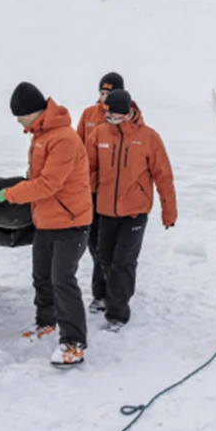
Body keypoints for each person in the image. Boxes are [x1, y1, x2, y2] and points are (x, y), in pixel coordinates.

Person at [0, 82, 93, 366]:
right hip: (47, 221)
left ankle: (74, 342)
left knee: (63, 280)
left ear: (31, 112)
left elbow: (49, 184)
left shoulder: (62, 138)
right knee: (42, 277)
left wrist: (11, 195)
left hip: (71, 223)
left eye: (19, 115)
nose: (17, 121)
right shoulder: (40, 136)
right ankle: (46, 322)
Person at [86, 89, 177, 330]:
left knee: (124, 261)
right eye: (108, 115)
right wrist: (96, 186)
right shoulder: (98, 134)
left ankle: (118, 313)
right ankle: (104, 296)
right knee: (104, 257)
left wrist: (169, 211)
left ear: (128, 113)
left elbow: (164, 176)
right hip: (105, 210)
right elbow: (87, 169)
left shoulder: (148, 138)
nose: (111, 120)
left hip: (135, 212)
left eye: (116, 116)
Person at [77, 72, 125, 314]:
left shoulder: (123, 116)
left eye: (109, 93)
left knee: (108, 246)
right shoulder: (88, 115)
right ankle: (102, 288)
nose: (104, 98)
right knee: (94, 243)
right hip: (89, 190)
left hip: (113, 191)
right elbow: (76, 147)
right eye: (102, 93)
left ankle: (105, 293)